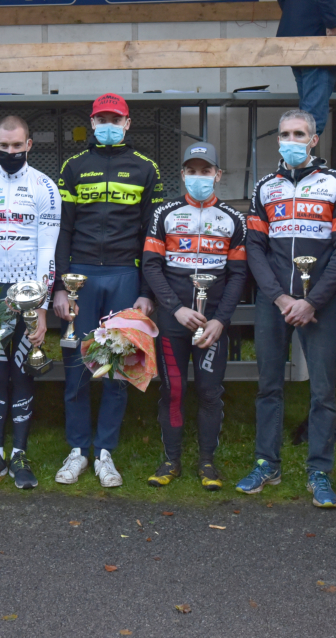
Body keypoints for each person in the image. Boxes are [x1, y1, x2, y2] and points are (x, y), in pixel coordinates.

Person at [239, 109, 336, 508]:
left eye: (299, 134)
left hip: (319, 302)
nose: (292, 140)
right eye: (285, 134)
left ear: (313, 140)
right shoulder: (264, 187)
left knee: (323, 391)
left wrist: (313, 300)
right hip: (274, 301)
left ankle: (319, 470)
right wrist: (280, 297)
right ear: (278, 140)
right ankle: (266, 464)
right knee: (268, 386)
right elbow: (255, 248)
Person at [52, 93, 164, 488]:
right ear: (92, 122)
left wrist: (147, 290)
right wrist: (61, 286)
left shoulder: (146, 167)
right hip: (80, 276)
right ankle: (77, 449)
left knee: (118, 366)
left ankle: (104, 452)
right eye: (102, 119)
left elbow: (152, 234)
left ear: (128, 124)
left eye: (115, 119)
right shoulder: (73, 166)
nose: (108, 125)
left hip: (124, 276)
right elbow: (63, 229)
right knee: (76, 367)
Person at [142, 142, 248, 491]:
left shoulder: (233, 218)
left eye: (206, 170)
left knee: (209, 391)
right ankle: (171, 460)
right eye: (192, 171)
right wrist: (175, 307)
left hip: (212, 322)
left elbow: (238, 274)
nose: (198, 176)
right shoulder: (165, 213)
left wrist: (221, 320)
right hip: (173, 320)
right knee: (173, 389)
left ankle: (207, 462)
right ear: (183, 174)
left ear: (218, 175)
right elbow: (151, 266)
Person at [0, 115, 60, 489]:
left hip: (28, 294)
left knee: (22, 372)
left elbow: (47, 252)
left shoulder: (45, 187)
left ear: (29, 145)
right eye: (4, 146)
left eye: (17, 145)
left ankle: (19, 453)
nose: (11, 151)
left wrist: (42, 309)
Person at [276, 0, 336, 136]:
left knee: (307, 112)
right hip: (319, 35)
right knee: (312, 118)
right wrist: (333, 21)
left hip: (297, 30)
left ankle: (297, 147)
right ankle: (298, 148)